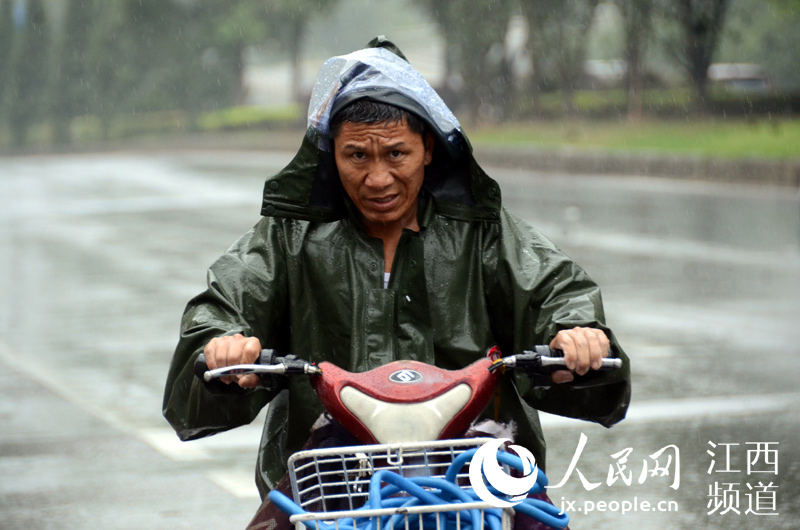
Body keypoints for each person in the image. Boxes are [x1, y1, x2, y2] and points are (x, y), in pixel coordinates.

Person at [163, 37, 630, 527]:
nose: (378, 177)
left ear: (429, 147)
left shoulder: (483, 232)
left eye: (396, 153)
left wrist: (577, 335)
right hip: (329, 475)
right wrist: (222, 348)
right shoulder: (288, 236)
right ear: (331, 153)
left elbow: (557, 292)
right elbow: (222, 307)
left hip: (471, 473)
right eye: (357, 155)